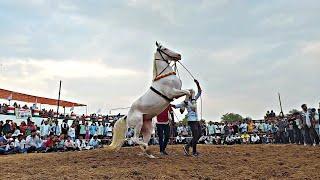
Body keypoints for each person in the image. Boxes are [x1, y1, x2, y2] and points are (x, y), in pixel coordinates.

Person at [172, 79, 202, 157]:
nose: (192, 94)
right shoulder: (185, 102)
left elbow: (200, 92)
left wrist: (197, 84)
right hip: (191, 120)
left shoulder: (194, 99)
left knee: (200, 134)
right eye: (191, 93)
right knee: (196, 135)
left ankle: (188, 146)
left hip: (196, 119)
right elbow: (176, 106)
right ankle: (194, 151)